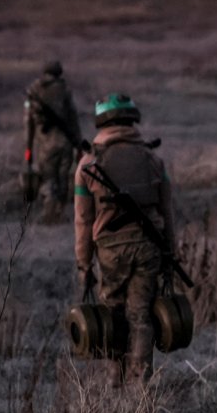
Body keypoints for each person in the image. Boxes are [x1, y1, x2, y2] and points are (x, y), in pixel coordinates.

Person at [74, 93, 175, 386]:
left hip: (110, 251)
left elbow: (83, 220)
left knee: (113, 314)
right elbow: (167, 211)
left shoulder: (87, 164)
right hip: (149, 248)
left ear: (102, 121)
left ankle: (114, 382)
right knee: (141, 315)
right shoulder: (154, 160)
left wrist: (83, 264)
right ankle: (140, 385)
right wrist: (171, 253)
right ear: (132, 120)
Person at [24, 60, 83, 224]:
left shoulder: (33, 91)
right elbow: (73, 119)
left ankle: (48, 212)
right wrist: (79, 145)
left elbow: (28, 123)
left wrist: (28, 149)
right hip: (65, 143)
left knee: (48, 178)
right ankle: (59, 212)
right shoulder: (65, 91)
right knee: (63, 179)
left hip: (45, 144)